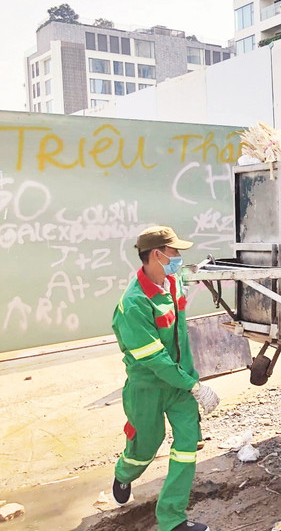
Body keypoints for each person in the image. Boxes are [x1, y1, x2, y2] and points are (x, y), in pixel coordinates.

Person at [111, 225, 220, 531]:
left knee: (186, 446)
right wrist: (194, 386)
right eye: (174, 252)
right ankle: (124, 472)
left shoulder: (173, 284)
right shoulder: (133, 304)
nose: (178, 257)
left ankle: (172, 520)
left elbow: (181, 337)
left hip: (180, 383)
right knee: (147, 444)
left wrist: (191, 379)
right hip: (148, 387)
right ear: (157, 255)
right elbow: (156, 360)